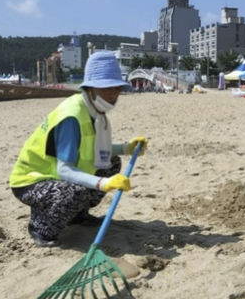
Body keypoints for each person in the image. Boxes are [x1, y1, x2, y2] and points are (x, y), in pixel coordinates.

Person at [9, 52, 148, 247]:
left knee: (111, 162)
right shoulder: (72, 117)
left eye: (116, 87)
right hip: (32, 180)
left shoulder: (94, 111)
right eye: (107, 88)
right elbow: (64, 170)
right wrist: (103, 183)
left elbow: (93, 149)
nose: (114, 93)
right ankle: (40, 226)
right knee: (74, 192)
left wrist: (126, 148)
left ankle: (77, 216)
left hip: (55, 174)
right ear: (91, 88)